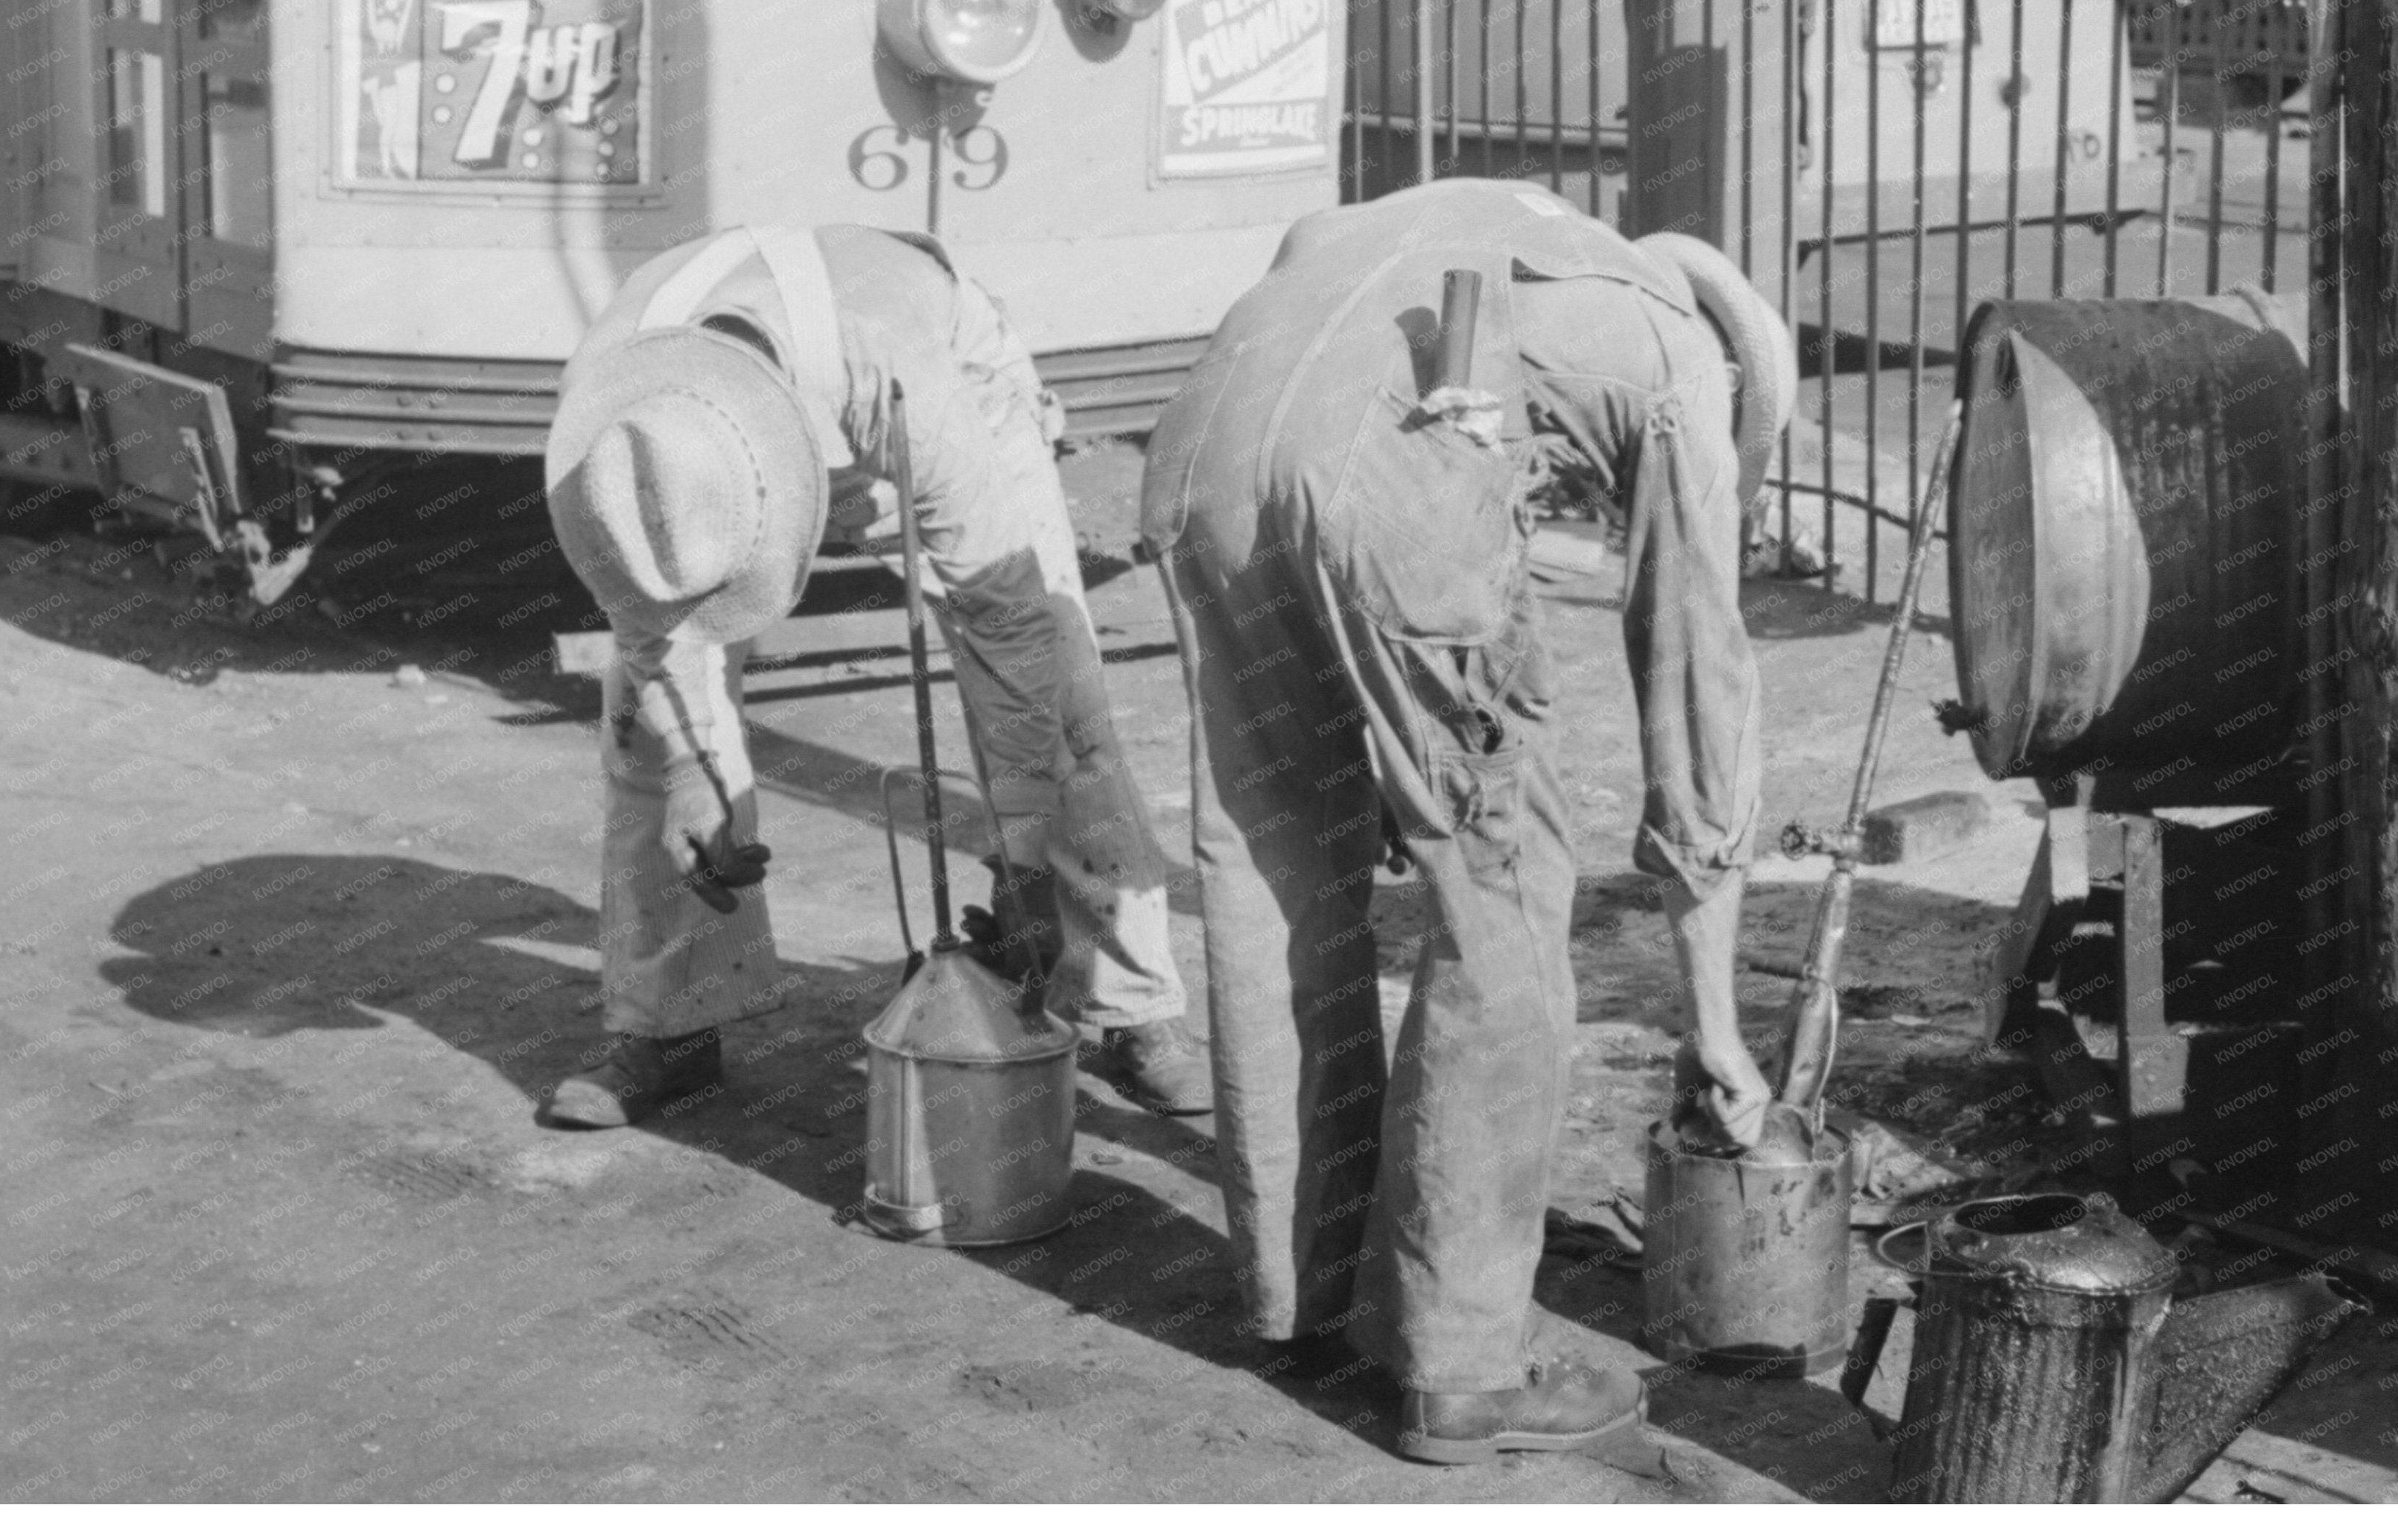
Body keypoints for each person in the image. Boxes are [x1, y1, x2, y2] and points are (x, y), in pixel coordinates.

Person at [1138, 180, 1796, 1465]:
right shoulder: (1676, 357)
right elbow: (1697, 696)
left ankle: (1298, 1284)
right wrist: (1715, 1024)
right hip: (1387, 475)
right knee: (1502, 887)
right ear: (1736, 365)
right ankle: (1466, 1364)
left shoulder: (1483, 222)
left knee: (1281, 860)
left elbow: (1299, 283)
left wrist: (1392, 724)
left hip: (1202, 450)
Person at [540, 224, 1211, 1127]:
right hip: (740, 435)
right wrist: (694, 773)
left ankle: (1129, 1002)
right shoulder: (612, 426)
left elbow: (1007, 618)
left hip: (935, 388)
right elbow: (650, 615)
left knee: (1063, 687)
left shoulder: (899, 381)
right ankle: (670, 1023)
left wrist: (1020, 851)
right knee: (644, 732)